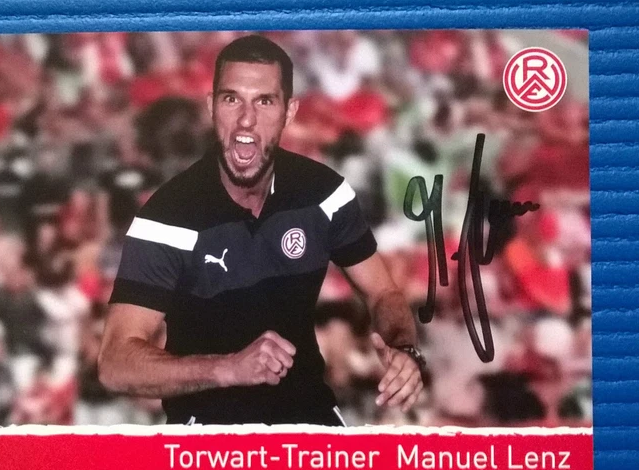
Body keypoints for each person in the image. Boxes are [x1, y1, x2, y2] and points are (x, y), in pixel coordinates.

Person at [97, 35, 424, 425]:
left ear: (289, 112)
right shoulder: (167, 216)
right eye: (231, 99)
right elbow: (115, 362)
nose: (246, 120)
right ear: (211, 107)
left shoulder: (323, 193)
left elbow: (383, 292)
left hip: (310, 419)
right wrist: (227, 368)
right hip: (207, 432)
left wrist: (404, 349)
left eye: (264, 101)